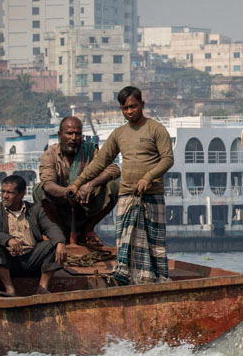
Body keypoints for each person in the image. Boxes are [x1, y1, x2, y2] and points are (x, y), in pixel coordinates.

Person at [67, 86, 174, 284]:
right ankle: (127, 279)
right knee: (126, 240)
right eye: (125, 108)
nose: (129, 111)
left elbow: (167, 159)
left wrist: (147, 178)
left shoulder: (156, 129)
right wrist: (78, 183)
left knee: (154, 244)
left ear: (142, 105)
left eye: (133, 107)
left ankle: (156, 281)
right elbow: (100, 162)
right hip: (127, 194)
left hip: (152, 195)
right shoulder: (119, 134)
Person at [33, 116, 120, 246]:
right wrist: (68, 192)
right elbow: (48, 184)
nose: (73, 138)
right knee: (39, 191)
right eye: (69, 133)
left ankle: (88, 229)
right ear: (60, 135)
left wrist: (91, 185)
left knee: (114, 186)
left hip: (86, 203)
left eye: (77, 134)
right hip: (61, 204)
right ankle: (60, 230)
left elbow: (114, 169)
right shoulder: (50, 154)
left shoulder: (90, 151)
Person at [0, 174, 67, 296]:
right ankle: (9, 288)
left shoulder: (35, 210)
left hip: (32, 259)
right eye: (3, 192)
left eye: (10, 193)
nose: (5, 196)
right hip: (7, 262)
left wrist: (60, 242)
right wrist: (8, 240)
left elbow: (51, 227)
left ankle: (42, 287)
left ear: (21, 194)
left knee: (53, 245)